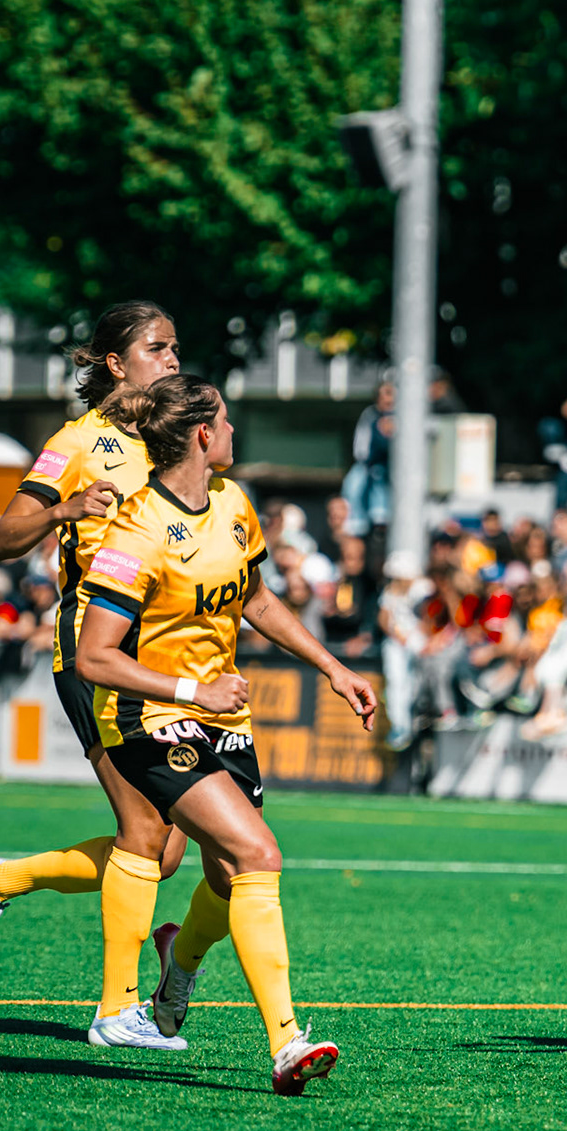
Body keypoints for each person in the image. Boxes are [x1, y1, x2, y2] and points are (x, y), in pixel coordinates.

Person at [75, 374, 377, 1093]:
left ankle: (175, 974)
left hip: (223, 719)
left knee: (221, 875)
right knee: (256, 853)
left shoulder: (235, 504)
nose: (238, 435)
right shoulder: (136, 527)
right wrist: (192, 689)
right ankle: (286, 1042)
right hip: (148, 721)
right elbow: (94, 656)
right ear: (203, 435)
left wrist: (333, 668)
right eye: (230, 424)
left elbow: (258, 601)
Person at [0, 302, 194, 1050]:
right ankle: (117, 1009)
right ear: (116, 364)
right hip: (93, 649)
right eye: (158, 348)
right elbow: (2, 538)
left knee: (168, 847)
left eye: (177, 347)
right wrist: (66, 507)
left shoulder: (173, 439)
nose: (173, 359)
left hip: (160, 654)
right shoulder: (77, 442)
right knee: (144, 835)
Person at [343, 381, 393, 537]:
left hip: (393, 469)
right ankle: (357, 526)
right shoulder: (370, 415)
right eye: (384, 394)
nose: (388, 399)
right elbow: (361, 450)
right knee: (354, 482)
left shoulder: (404, 417)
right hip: (370, 465)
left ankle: (382, 520)